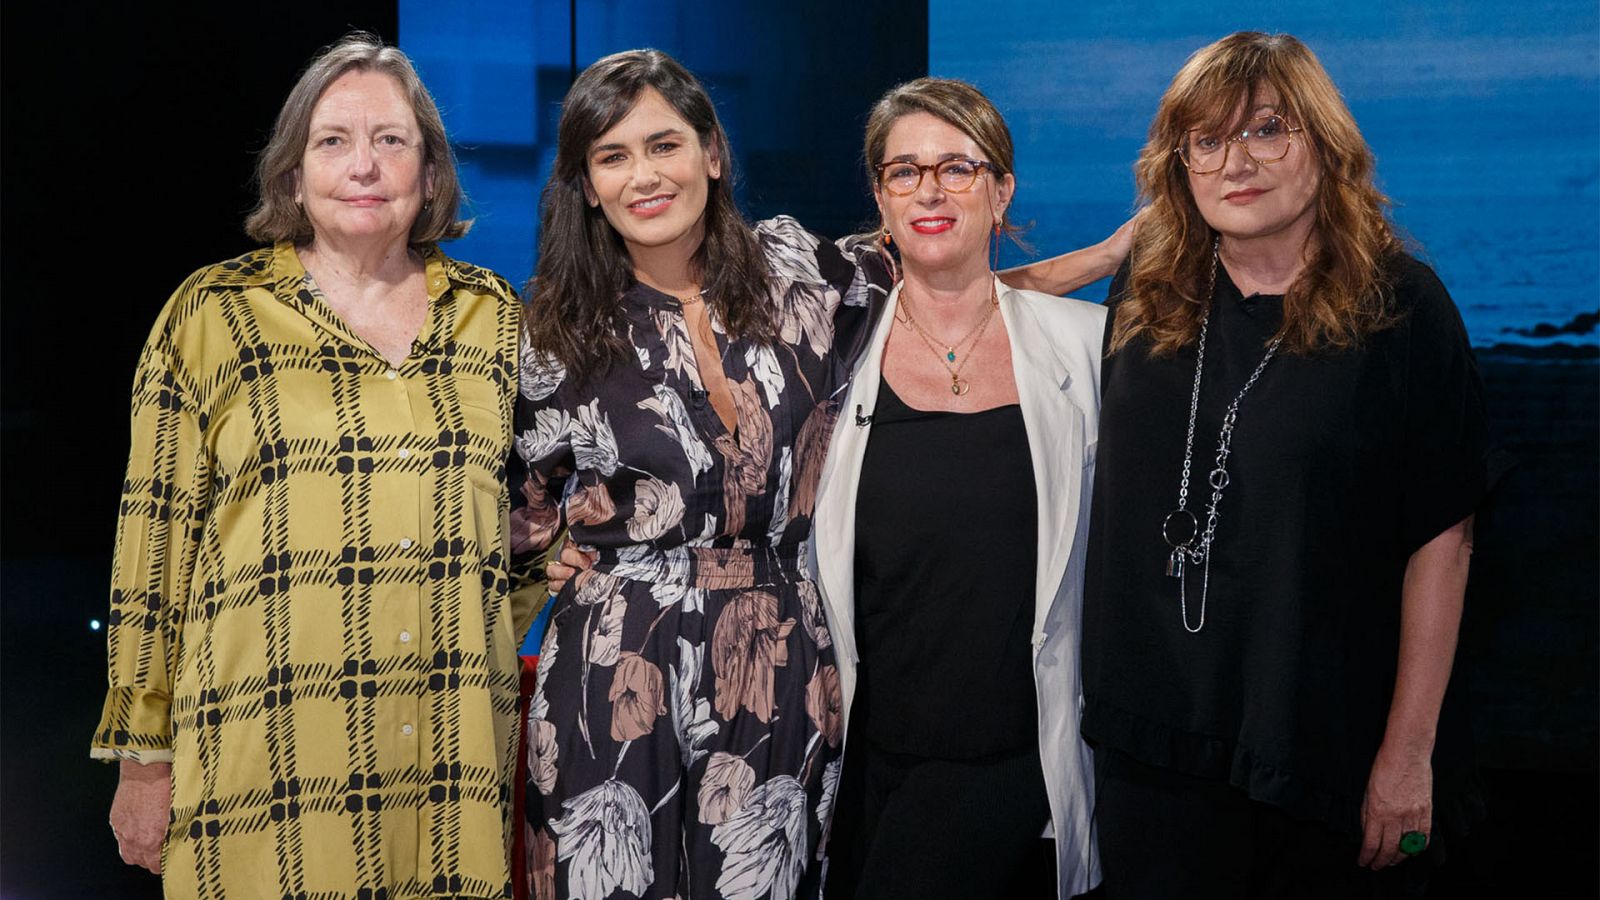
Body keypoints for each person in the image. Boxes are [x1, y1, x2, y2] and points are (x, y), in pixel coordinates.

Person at [513, 51, 1123, 900]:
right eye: (612, 157)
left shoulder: (797, 272)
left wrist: (1100, 260)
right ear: (585, 184)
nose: (644, 176)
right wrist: (541, 561)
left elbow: (950, 289)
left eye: (665, 145)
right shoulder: (552, 331)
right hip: (615, 673)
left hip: (779, 661)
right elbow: (509, 506)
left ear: (713, 154)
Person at [93, 33, 545, 898]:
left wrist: (534, 560)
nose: (364, 164)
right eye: (334, 140)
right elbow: (152, 556)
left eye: (391, 140)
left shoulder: (493, 317)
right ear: (293, 173)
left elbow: (513, 538)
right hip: (266, 772)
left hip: (448, 771)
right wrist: (142, 766)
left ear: (430, 172)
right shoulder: (213, 313)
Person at [1081, 32, 1500, 898]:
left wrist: (1409, 755)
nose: (1238, 160)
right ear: (1179, 163)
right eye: (1207, 139)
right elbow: (954, 295)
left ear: (1325, 143)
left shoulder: (1401, 307)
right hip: (1153, 743)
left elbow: (1444, 538)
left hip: (1320, 744)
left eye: (1268, 129)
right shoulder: (1146, 295)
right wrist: (1098, 256)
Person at [806, 78, 1105, 900]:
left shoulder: (1090, 349)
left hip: (1022, 760)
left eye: (957, 169)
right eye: (904, 171)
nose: (929, 189)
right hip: (867, 762)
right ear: (879, 195)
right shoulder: (827, 353)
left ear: (1001, 189)